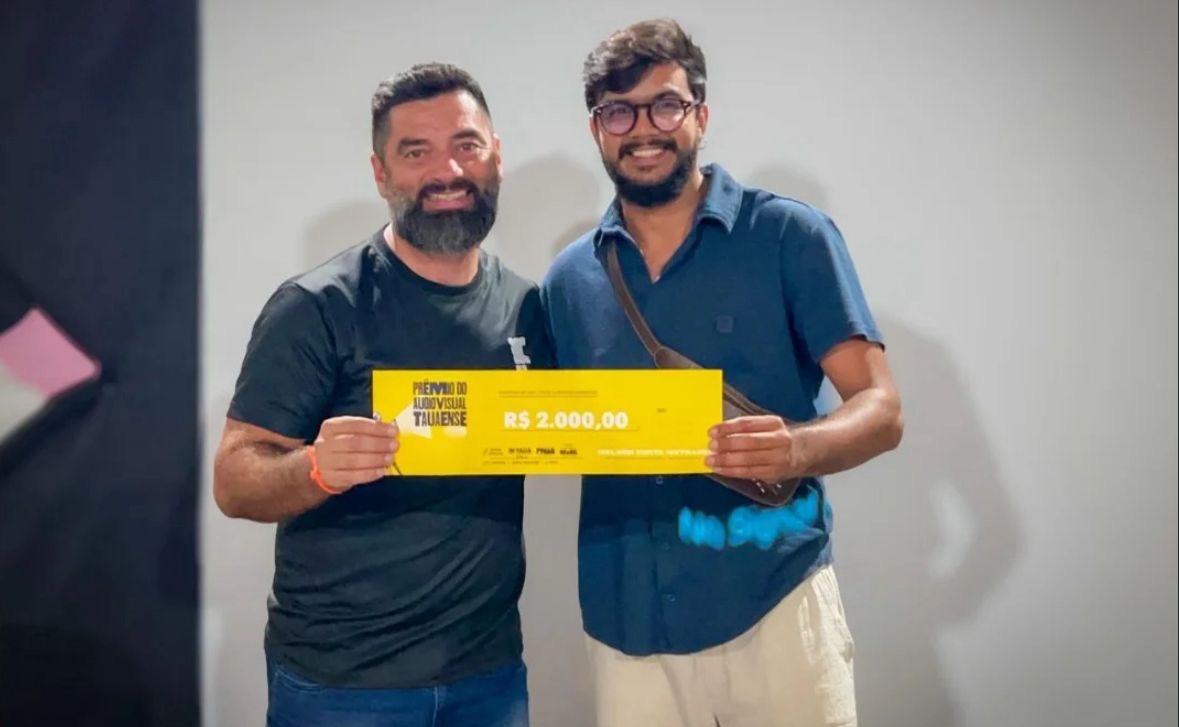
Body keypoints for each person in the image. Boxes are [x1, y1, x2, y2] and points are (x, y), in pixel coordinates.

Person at [540, 18, 903, 727]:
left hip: (774, 601)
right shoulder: (568, 279)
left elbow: (882, 408)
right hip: (626, 622)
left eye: (665, 105)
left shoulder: (790, 236)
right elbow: (554, 428)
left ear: (700, 116)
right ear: (596, 129)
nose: (643, 129)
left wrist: (796, 447)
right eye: (618, 111)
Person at [213, 62, 549, 727]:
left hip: (488, 675)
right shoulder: (316, 306)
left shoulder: (527, 306)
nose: (447, 170)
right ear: (381, 173)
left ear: (495, 156)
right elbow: (233, 480)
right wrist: (315, 468)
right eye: (416, 152)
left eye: (465, 144)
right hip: (343, 684)